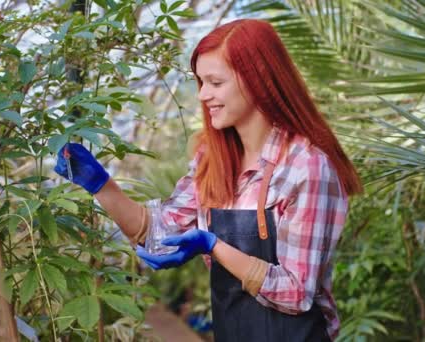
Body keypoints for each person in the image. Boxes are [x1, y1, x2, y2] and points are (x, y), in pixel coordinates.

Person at [54, 19, 362, 341]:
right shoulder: (211, 160)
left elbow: (295, 293)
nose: (203, 95)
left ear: (257, 80)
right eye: (200, 82)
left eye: (215, 82)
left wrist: (213, 246)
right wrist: (101, 185)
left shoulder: (306, 168)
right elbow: (158, 232)